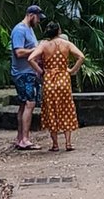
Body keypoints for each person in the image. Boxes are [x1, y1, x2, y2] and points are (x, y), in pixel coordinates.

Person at [31, 20, 85, 151]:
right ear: (59, 31)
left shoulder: (44, 45)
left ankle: (55, 144)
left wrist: (41, 71)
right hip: (63, 79)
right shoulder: (66, 44)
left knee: (51, 110)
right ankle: (68, 143)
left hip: (49, 80)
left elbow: (30, 59)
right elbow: (81, 56)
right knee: (66, 109)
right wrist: (72, 70)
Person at [9, 3, 43, 150]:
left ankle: (20, 138)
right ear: (31, 15)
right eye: (37, 18)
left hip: (29, 72)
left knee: (24, 105)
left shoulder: (30, 30)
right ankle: (25, 139)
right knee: (30, 103)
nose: (39, 21)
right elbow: (19, 52)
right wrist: (36, 50)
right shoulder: (20, 30)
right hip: (22, 73)